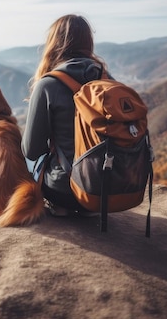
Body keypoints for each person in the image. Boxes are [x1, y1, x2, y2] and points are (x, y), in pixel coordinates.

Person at [21, 14, 109, 217]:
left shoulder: (48, 84)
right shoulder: (107, 79)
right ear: (88, 42)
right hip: (110, 187)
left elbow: (31, 150)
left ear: (54, 43)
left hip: (66, 191)